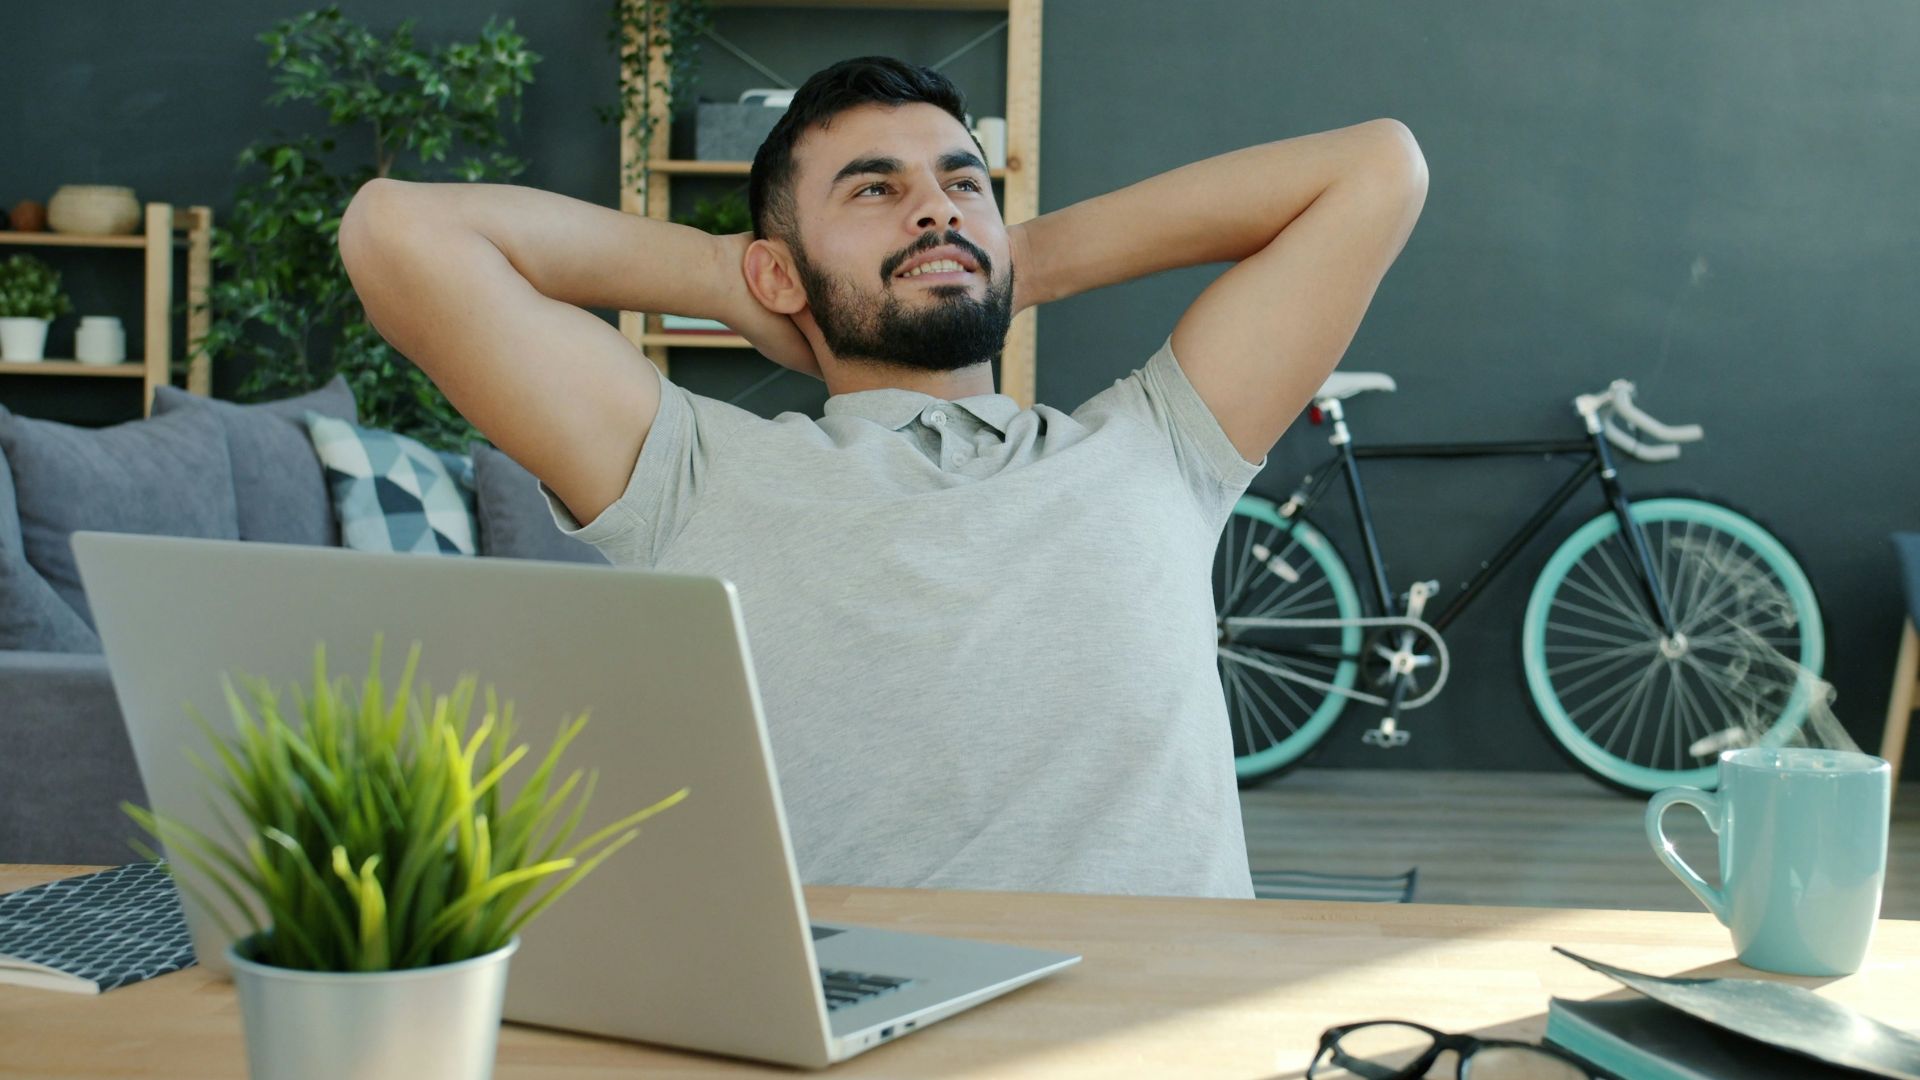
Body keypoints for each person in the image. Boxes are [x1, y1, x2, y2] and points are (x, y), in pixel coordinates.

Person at [338, 56, 1427, 899]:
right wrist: (730, 275)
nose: (937, 207)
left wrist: (1003, 263)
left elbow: (1377, 168)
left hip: (1166, 1025)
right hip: (865, 1024)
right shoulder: (690, 471)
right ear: (779, 265)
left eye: (964, 185)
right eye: (875, 190)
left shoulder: (1159, 443)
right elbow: (398, 232)